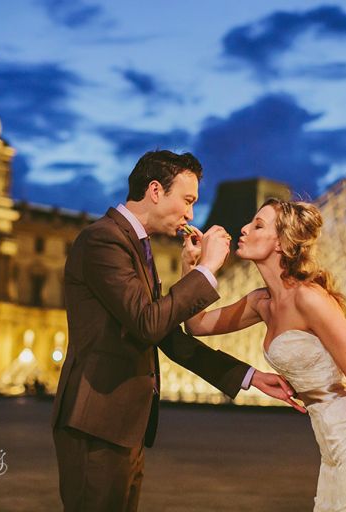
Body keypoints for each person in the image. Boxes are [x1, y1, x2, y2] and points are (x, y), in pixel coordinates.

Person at [51, 151, 301, 511]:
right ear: (155, 190)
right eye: (187, 200)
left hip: (122, 426)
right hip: (96, 424)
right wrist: (209, 269)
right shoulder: (103, 240)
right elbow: (149, 323)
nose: (191, 215)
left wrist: (248, 376)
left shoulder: (136, 246)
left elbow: (167, 335)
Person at [184, 198, 346, 512]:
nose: (245, 229)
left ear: (280, 243)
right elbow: (195, 325)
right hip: (330, 446)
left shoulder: (309, 298)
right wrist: (194, 267)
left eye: (258, 225)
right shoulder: (260, 302)